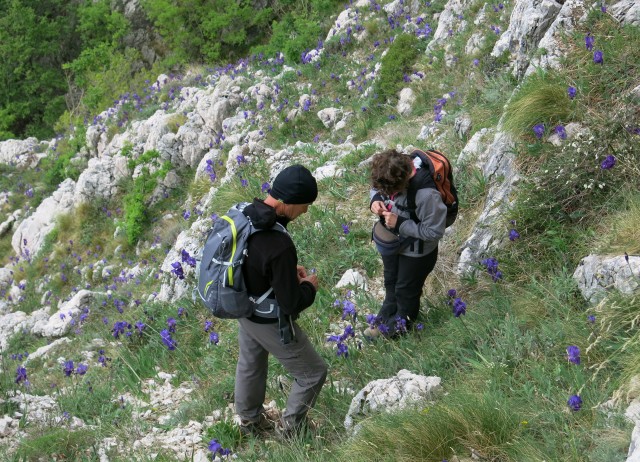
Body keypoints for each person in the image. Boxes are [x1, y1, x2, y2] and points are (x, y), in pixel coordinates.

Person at [234, 164, 328, 438]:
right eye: (304, 205)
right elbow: (290, 304)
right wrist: (308, 287)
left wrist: (284, 275)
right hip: (266, 317)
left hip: (243, 306)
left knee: (251, 363)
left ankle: (250, 422)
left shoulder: (244, 214)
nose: (306, 211)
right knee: (313, 372)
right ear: (286, 203)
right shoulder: (278, 244)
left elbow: (253, 264)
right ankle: (291, 430)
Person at [365, 149, 447, 338]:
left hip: (418, 253)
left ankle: (399, 329)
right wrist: (376, 200)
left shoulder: (427, 195)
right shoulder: (390, 172)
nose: (387, 194)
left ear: (403, 182)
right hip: (395, 244)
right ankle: (386, 315)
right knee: (391, 281)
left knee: (406, 290)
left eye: (390, 192)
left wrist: (401, 223)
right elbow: (376, 188)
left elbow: (434, 232)